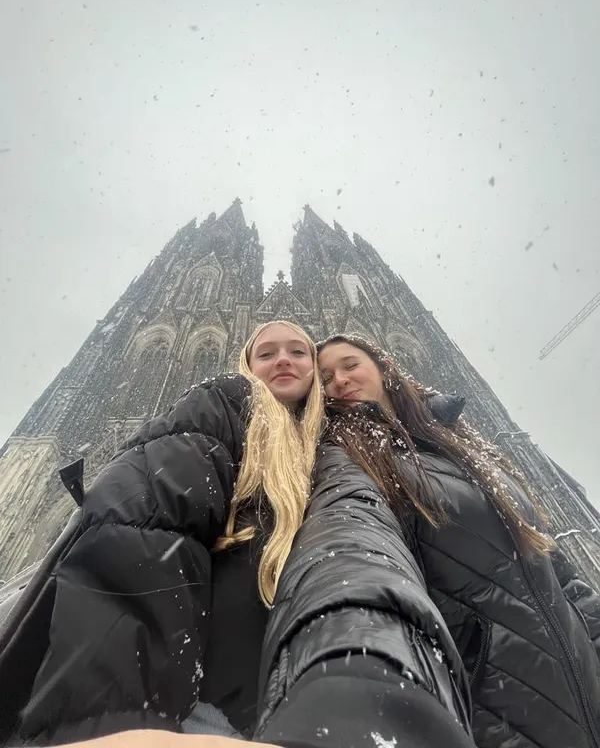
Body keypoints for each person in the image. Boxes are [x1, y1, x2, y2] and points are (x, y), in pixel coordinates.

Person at [1, 319, 477, 748]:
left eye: (298, 351)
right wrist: (116, 719)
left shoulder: (334, 443)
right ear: (245, 365)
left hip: (269, 687)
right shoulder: (225, 406)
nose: (284, 360)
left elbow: (352, 551)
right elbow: (140, 538)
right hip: (193, 707)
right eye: (266, 353)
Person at [316, 333, 600, 748]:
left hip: (581, 677)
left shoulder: (455, 438)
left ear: (383, 366)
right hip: (497, 708)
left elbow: (550, 563)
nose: (339, 380)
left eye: (350, 364)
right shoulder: (349, 457)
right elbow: (356, 548)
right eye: (325, 377)